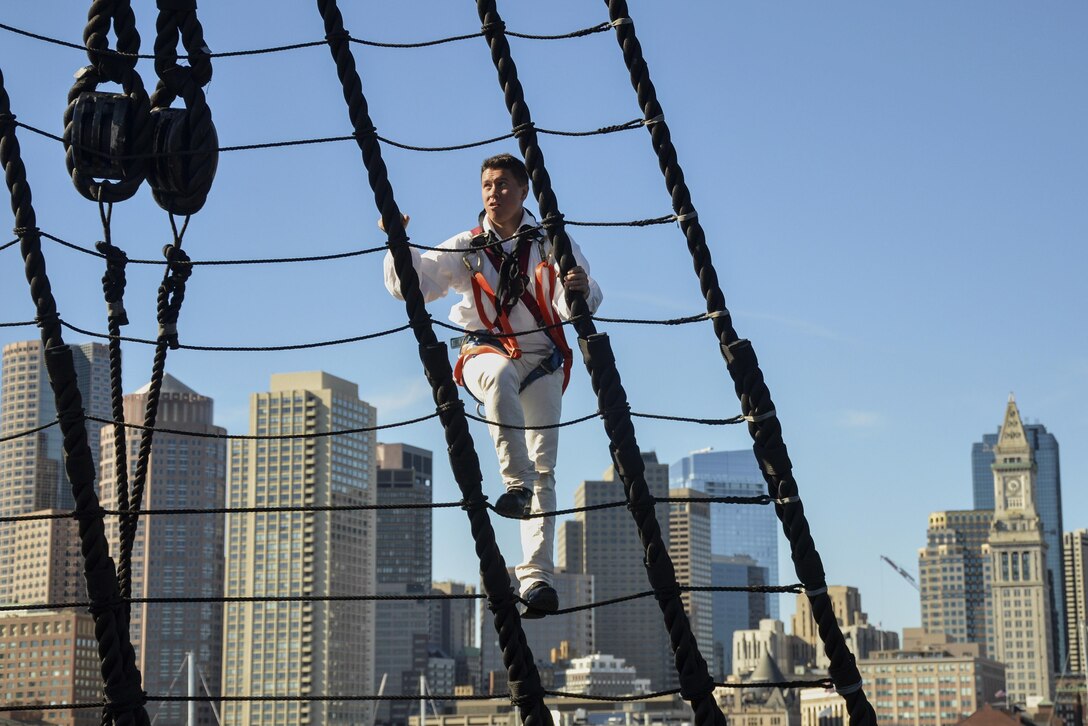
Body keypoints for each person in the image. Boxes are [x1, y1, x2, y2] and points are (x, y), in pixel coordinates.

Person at [383, 153, 603, 617]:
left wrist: (580, 288)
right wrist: (397, 244)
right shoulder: (469, 245)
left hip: (543, 360)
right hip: (486, 352)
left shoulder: (548, 242)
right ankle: (514, 485)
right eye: (486, 185)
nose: (493, 193)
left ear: (524, 192)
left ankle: (538, 578)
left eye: (502, 185)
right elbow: (415, 285)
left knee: (545, 468)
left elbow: (577, 297)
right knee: (501, 378)